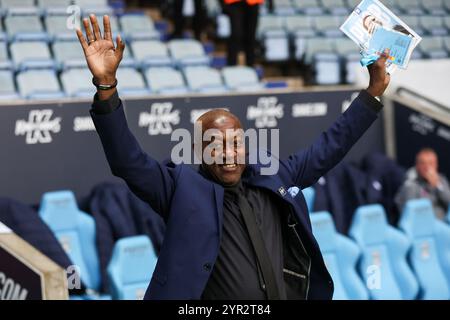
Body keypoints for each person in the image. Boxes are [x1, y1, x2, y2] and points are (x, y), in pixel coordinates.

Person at [76, 14, 390, 299]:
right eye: (215, 144)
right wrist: (106, 86)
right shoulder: (179, 188)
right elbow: (127, 161)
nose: (228, 153)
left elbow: (330, 146)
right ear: (199, 152)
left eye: (235, 142)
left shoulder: (274, 175)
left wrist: (373, 91)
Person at [395, 148, 450, 220]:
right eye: (423, 163)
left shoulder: (441, 180)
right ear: (417, 165)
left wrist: (437, 185)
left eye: (431, 163)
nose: (427, 167)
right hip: (422, 223)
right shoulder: (411, 183)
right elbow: (410, 211)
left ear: (436, 165)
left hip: (442, 222)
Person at [222, 0, 262, 66]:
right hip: (234, 3)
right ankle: (231, 65)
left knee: (251, 36)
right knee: (236, 34)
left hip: (253, 2)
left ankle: (250, 65)